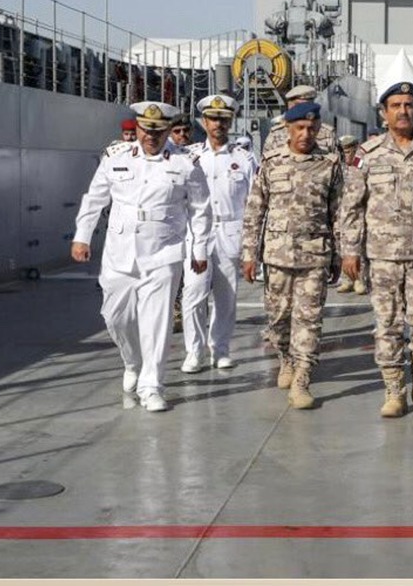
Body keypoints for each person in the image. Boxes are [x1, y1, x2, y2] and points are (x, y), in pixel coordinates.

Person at [70, 101, 211, 412]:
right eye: (146, 130)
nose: (151, 136)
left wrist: (198, 250)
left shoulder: (186, 163)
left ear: (168, 131)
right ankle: (132, 361)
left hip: (163, 252)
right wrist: (82, 236)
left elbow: (200, 209)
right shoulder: (115, 158)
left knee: (157, 322)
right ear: (137, 128)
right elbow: (94, 199)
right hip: (119, 253)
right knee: (116, 317)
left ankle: (152, 386)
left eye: (158, 131)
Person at [338, 82, 413, 418]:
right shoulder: (368, 154)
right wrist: (350, 251)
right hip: (382, 256)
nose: (403, 111)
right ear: (384, 112)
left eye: (408, 104)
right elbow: (351, 207)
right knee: (388, 324)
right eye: (396, 105)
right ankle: (394, 389)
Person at [241, 101, 343, 409]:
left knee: (309, 319)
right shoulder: (272, 162)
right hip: (277, 255)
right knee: (278, 318)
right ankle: (286, 357)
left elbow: (338, 213)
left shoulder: (329, 164)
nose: (305, 134)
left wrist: (340, 254)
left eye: (311, 128)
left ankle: (302, 378)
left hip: (315, 254)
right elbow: (255, 209)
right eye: (299, 128)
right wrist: (249, 253)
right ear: (288, 128)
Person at [180, 94, 257, 373]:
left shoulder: (244, 158)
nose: (218, 124)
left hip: (230, 231)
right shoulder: (189, 156)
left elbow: (254, 201)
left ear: (231, 121)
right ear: (204, 121)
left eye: (224, 119)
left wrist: (252, 245)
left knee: (226, 296)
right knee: (194, 293)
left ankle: (220, 349)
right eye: (213, 118)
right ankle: (194, 351)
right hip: (197, 234)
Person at [334, 135, 367, 295]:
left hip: (355, 211)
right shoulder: (338, 164)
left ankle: (359, 278)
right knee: (340, 242)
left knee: (357, 244)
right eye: (344, 151)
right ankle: (346, 278)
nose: (346, 154)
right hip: (340, 209)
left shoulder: (359, 163)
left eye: (349, 151)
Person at [263, 84, 336, 155]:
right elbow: (267, 160)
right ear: (289, 106)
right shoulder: (276, 134)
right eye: (298, 106)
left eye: (306, 106)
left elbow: (336, 160)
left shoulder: (327, 133)